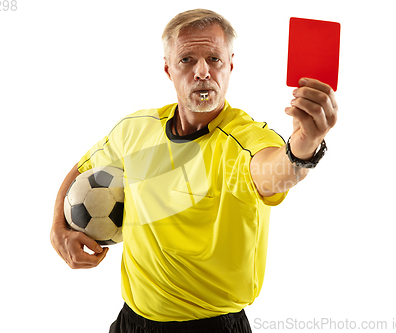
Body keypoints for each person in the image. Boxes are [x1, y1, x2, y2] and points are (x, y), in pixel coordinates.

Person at [50, 8, 338, 333]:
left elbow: (275, 172)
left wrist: (304, 146)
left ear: (230, 65)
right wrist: (58, 228)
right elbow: (82, 168)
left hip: (213, 326)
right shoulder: (135, 130)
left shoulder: (242, 139)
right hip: (131, 320)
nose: (202, 71)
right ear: (168, 69)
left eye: (214, 59)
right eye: (187, 59)